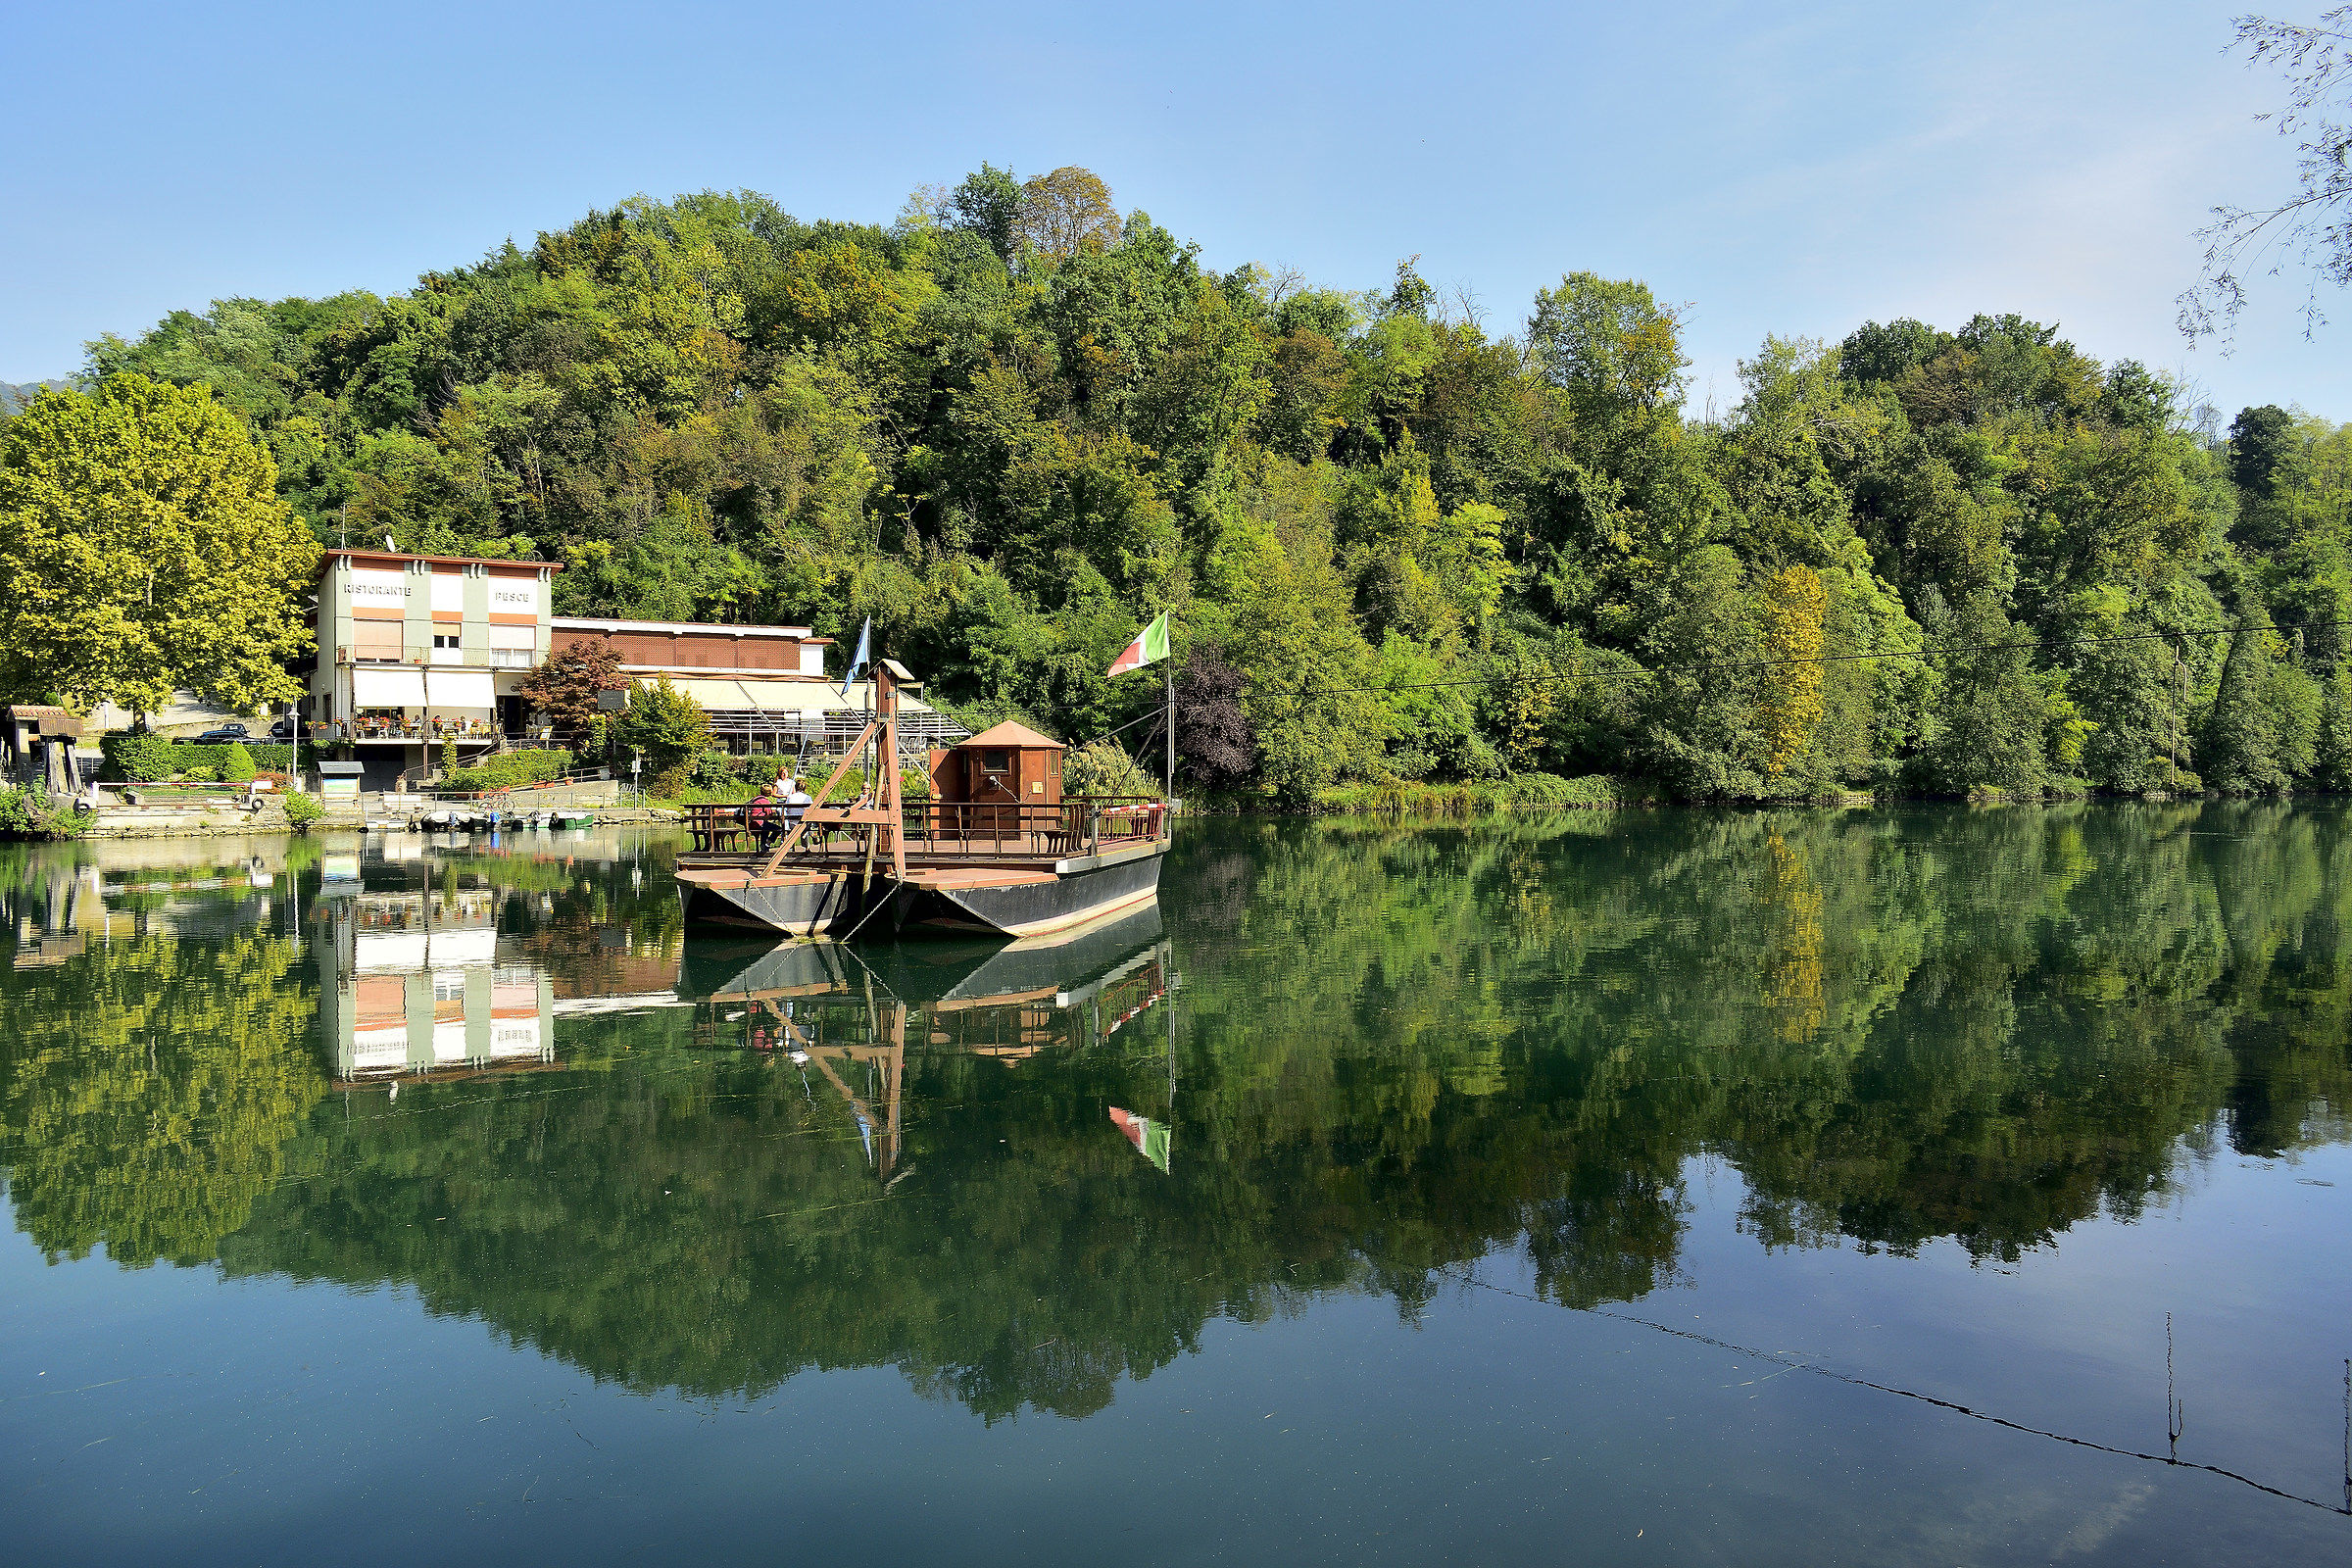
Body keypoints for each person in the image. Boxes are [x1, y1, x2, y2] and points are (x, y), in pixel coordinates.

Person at [746, 784, 780, 849]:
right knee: (778, 829)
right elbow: (769, 814)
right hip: (758, 824)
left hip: (750, 823)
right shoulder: (765, 801)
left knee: (766, 826)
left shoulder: (755, 799)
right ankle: (767, 843)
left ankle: (764, 845)